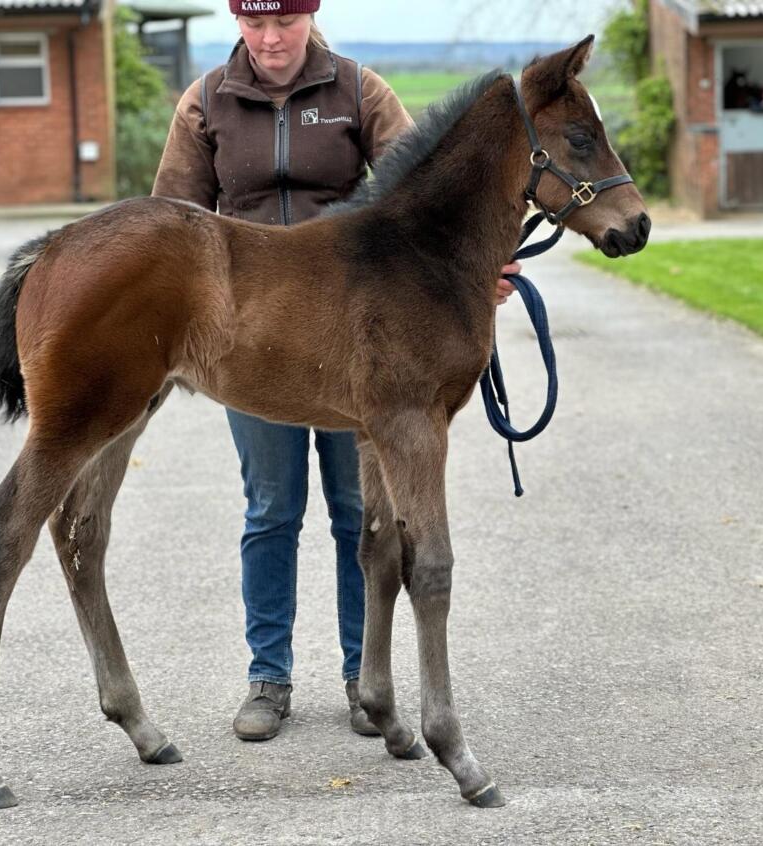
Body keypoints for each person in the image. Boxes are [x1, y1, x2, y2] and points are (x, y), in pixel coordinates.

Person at [151, 0, 518, 742]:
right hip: (252, 338)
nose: (270, 38)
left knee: (365, 512)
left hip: (363, 337)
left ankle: (363, 675)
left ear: (309, 19)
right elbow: (170, 221)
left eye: (284, 22)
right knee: (270, 509)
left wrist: (478, 269)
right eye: (255, 26)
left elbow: (433, 197)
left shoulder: (359, 90)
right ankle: (268, 677)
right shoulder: (206, 101)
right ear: (239, 25)